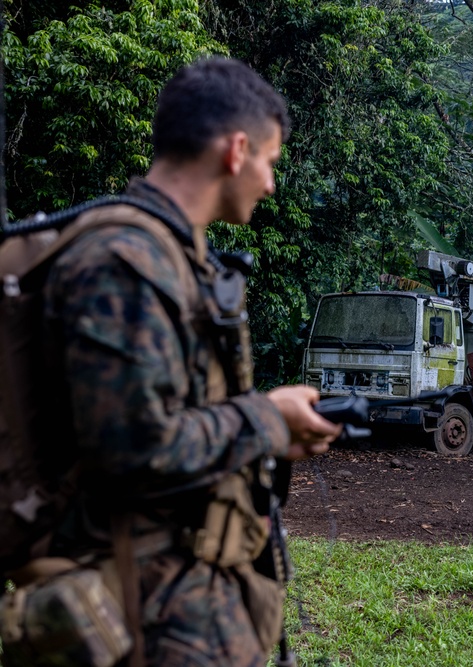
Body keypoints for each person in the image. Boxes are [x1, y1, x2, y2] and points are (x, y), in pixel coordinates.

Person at [40, 57, 341, 666]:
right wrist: (265, 418)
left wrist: (270, 428)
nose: (271, 183)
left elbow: (173, 417)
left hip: (186, 601)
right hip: (141, 615)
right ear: (236, 150)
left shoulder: (171, 258)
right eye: (270, 162)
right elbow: (134, 449)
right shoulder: (125, 264)